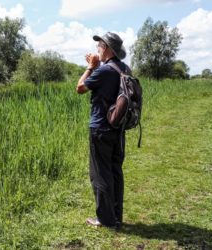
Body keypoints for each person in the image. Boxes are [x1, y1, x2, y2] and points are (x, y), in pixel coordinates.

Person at [76, 32, 130, 228]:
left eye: (99, 45)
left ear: (106, 48)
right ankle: (116, 216)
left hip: (100, 128)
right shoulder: (124, 68)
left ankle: (105, 220)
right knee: (115, 171)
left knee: (100, 173)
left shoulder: (103, 70)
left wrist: (91, 67)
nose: (97, 48)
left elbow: (80, 88)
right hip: (118, 128)